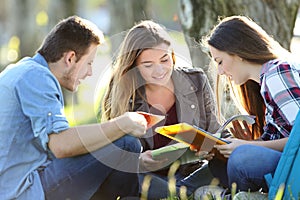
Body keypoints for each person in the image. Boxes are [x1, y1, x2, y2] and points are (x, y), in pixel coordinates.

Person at [0, 15, 151, 200]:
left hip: (15, 186)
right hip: (25, 192)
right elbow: (62, 145)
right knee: (127, 143)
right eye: (89, 63)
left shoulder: (22, 71)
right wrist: (122, 124)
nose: (90, 72)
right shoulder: (37, 77)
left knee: (118, 152)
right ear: (71, 58)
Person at [100, 20, 221, 199]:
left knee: (228, 165)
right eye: (148, 65)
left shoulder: (196, 80)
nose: (159, 70)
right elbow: (113, 151)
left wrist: (209, 147)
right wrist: (138, 160)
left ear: (172, 55)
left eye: (164, 60)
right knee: (125, 179)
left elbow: (215, 131)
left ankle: (176, 192)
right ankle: (183, 193)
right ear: (134, 67)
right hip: (149, 175)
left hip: (194, 170)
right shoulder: (122, 92)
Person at [202, 15, 300, 194]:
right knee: (221, 160)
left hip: (295, 167)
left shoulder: (277, 72)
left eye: (220, 62)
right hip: (289, 163)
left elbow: (298, 139)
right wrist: (227, 146)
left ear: (237, 52)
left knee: (242, 158)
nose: (221, 72)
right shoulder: (262, 83)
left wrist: (248, 147)